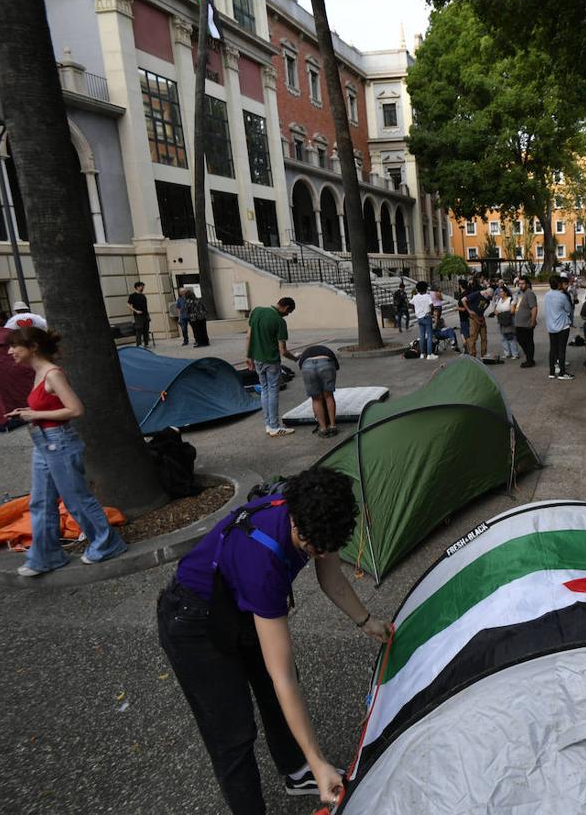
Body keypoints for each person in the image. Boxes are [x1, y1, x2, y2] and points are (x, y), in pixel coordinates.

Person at [158, 464, 393, 812]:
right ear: (296, 521)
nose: (318, 553)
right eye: (311, 547)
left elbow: (330, 577)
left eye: (325, 546)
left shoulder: (314, 514)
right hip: (193, 620)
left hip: (238, 601)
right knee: (233, 732)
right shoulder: (263, 564)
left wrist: (365, 620)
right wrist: (319, 758)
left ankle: (297, 770)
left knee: (273, 694)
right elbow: (282, 677)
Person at [4, 327, 128, 576]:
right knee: (40, 502)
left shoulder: (52, 374)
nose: (10, 351)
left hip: (59, 442)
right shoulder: (39, 373)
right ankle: (46, 556)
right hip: (44, 443)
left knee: (76, 499)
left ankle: (107, 544)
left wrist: (35, 414)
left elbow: (75, 409)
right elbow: (49, 406)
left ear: (33, 347)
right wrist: (27, 412)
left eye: (15, 346)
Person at [246, 297, 298, 437]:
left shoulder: (256, 311)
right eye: (289, 312)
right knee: (273, 391)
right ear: (286, 308)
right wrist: (296, 359)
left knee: (264, 390)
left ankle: (268, 424)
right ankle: (275, 426)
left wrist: (248, 356)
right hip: (271, 361)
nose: (287, 315)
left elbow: (248, 336)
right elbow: (283, 351)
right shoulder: (280, 321)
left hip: (257, 359)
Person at [297, 343, 339, 437]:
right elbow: (336, 367)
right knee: (328, 396)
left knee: (316, 399)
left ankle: (323, 428)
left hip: (307, 365)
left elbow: (301, 367)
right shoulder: (328, 351)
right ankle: (333, 426)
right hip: (326, 362)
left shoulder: (305, 353)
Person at [545, 275, 574, 380]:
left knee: (553, 349)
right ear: (558, 284)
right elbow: (568, 309)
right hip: (562, 326)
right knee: (561, 350)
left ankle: (552, 372)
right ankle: (562, 372)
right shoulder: (562, 296)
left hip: (551, 326)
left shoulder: (547, 295)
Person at [514, 275, 539, 368]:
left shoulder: (529, 293)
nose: (520, 285)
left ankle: (530, 360)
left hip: (526, 323)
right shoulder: (521, 294)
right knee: (520, 340)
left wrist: (533, 320)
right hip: (519, 323)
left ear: (527, 284)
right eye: (519, 284)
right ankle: (529, 357)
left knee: (528, 342)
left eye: (522, 283)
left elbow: (534, 308)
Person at [463, 285, 493, 358]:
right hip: (473, 318)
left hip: (481, 317)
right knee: (473, 337)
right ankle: (472, 355)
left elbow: (482, 307)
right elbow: (463, 300)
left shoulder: (487, 299)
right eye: (489, 297)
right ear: (486, 293)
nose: (489, 299)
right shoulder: (476, 294)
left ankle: (484, 354)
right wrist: (469, 310)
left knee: (484, 337)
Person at [494, 285, 520, 360]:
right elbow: (495, 310)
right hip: (501, 321)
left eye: (501, 291)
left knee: (510, 337)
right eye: (499, 291)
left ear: (505, 292)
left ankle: (515, 353)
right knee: (503, 338)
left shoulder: (510, 299)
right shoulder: (498, 300)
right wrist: (497, 313)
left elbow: (512, 311)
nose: (500, 293)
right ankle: (507, 353)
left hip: (509, 321)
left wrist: (501, 313)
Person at [411, 281, 435, 360]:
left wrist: (416, 310)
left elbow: (410, 304)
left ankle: (422, 354)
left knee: (421, 336)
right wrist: (431, 313)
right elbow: (431, 305)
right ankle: (429, 354)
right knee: (429, 336)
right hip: (427, 317)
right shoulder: (427, 296)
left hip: (419, 318)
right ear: (425, 288)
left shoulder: (415, 297)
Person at [127, 281, 150, 348]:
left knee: (146, 329)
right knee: (139, 329)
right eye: (141, 286)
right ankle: (139, 344)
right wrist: (136, 311)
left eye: (143, 286)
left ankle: (146, 343)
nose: (143, 288)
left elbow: (145, 307)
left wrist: (148, 315)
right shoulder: (132, 296)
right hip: (138, 316)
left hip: (145, 315)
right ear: (137, 287)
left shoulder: (143, 296)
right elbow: (128, 305)